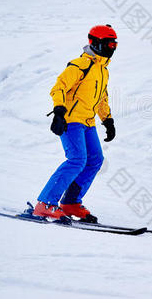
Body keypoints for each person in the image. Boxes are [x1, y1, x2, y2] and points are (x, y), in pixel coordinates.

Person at [33, 25, 118, 222]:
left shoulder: (103, 70)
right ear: (95, 43)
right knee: (77, 160)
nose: (112, 48)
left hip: (88, 122)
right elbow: (59, 87)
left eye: (115, 44)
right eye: (109, 43)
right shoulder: (80, 65)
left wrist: (108, 120)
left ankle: (70, 202)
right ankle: (45, 204)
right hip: (71, 120)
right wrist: (59, 111)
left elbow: (102, 98)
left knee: (95, 160)